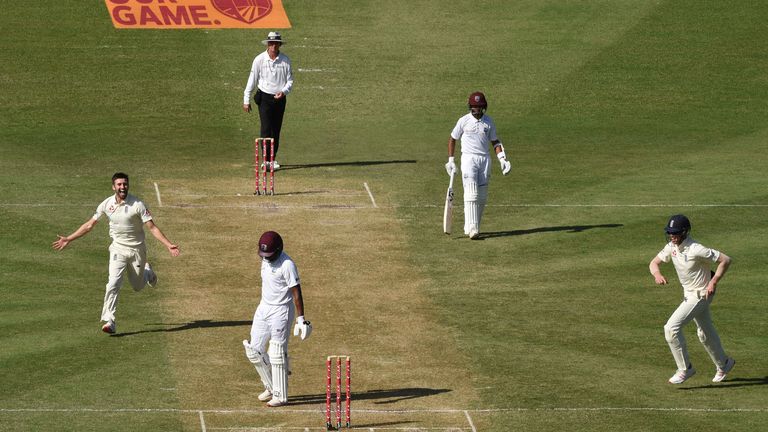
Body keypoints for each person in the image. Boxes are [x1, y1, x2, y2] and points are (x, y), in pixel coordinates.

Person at [52, 172, 180, 334]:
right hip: (117, 249)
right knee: (113, 283)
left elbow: (152, 227)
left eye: (125, 184)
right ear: (114, 187)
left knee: (137, 287)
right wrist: (69, 238)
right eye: (119, 184)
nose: (122, 187)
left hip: (137, 250)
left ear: (128, 186)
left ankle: (148, 273)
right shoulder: (106, 204)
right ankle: (109, 320)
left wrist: (168, 245)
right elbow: (89, 225)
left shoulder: (138, 204)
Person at [649, 214, 735, 384]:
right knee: (704, 333)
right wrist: (657, 274)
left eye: (675, 233)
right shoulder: (671, 247)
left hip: (701, 295)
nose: (672, 236)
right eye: (670, 233)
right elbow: (653, 263)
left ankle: (685, 369)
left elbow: (725, 260)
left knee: (671, 328)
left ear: (684, 232)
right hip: (688, 294)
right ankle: (724, 363)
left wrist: (713, 282)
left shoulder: (696, 249)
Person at [243, 231, 312, 407]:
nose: (266, 258)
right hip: (264, 307)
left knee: (276, 352)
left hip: (281, 311)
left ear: (279, 250)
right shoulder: (265, 260)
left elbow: (296, 292)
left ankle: (281, 396)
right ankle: (271, 386)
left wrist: (301, 319)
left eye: (270, 254)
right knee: (254, 349)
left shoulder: (287, 265)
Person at [444, 91, 511, 239]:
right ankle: (473, 228)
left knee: (481, 197)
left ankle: (471, 227)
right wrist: (451, 160)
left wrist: (502, 159)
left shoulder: (489, 122)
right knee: (471, 193)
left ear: (484, 107)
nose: (477, 109)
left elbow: (495, 141)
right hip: (469, 159)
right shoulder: (463, 121)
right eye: (474, 107)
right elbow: (453, 138)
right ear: (470, 107)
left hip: (485, 159)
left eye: (479, 106)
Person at [243, 31, 294, 169]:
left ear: (279, 45)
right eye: (271, 43)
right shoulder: (259, 59)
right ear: (268, 44)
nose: (274, 46)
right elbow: (252, 80)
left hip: (280, 99)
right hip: (264, 98)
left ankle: (272, 159)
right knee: (266, 129)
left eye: (276, 43)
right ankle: (265, 160)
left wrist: (283, 92)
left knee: (276, 130)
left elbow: (290, 81)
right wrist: (246, 99)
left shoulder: (285, 60)